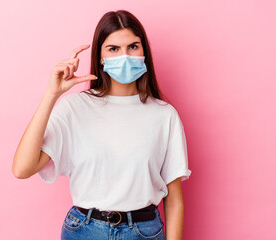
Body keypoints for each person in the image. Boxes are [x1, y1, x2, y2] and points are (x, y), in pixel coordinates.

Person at [12, 10, 192, 240]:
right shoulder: (75, 108)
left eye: (133, 47)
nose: (125, 56)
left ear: (144, 51)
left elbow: (174, 200)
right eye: (114, 49)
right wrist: (51, 94)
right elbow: (22, 168)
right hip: (85, 230)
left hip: (143, 232)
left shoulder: (164, 116)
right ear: (100, 57)